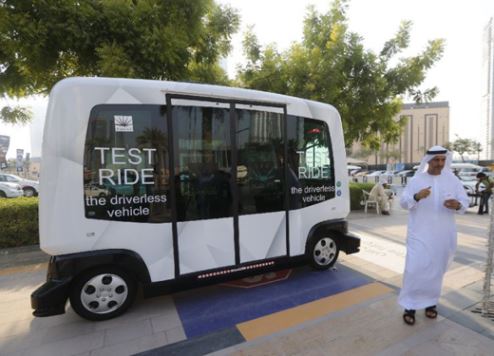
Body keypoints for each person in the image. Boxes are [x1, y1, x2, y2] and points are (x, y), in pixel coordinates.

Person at [398, 146, 469, 325]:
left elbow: (465, 202)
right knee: (415, 269)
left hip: (443, 236)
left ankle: (430, 303)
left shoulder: (452, 180)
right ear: (428, 160)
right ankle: (410, 306)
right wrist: (416, 196)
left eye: (442, 160)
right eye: (436, 160)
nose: (440, 163)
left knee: (436, 271)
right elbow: (403, 202)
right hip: (419, 234)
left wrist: (458, 205)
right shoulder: (417, 179)